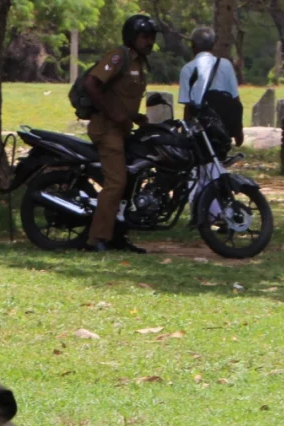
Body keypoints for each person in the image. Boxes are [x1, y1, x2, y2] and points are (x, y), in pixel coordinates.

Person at [81, 14, 158, 254]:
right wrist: (113, 114)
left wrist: (136, 118)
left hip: (123, 129)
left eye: (151, 37)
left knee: (132, 180)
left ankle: (118, 235)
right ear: (132, 37)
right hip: (106, 129)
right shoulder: (118, 57)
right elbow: (91, 84)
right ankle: (96, 240)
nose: (149, 42)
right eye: (144, 37)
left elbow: (123, 96)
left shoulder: (138, 63)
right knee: (117, 182)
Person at [177, 26, 243, 147]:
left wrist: (185, 135)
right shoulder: (226, 65)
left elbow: (188, 106)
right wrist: (238, 132)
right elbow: (235, 99)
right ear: (213, 45)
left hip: (200, 128)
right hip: (223, 127)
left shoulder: (187, 69)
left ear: (192, 45)